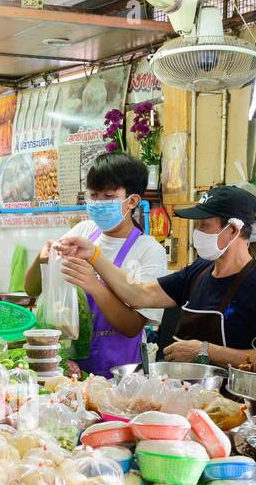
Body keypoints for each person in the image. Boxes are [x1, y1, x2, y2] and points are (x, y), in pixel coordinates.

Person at [54, 184, 256, 369]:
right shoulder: (199, 271)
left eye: (205, 225)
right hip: (189, 397)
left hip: (234, 406)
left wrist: (206, 351)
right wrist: (95, 255)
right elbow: (141, 294)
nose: (197, 233)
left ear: (233, 230)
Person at [24, 152, 169, 378]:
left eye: (108, 196)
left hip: (120, 374)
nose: (98, 203)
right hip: (68, 370)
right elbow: (32, 290)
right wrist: (42, 260)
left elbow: (132, 327)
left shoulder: (149, 251)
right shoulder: (83, 232)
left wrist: (94, 285)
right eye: (93, 195)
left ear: (132, 201)